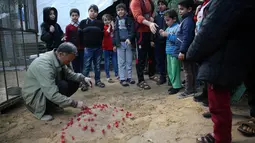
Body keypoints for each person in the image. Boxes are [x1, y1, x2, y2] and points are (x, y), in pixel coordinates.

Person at [185, 0, 255, 142]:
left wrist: (191, 54)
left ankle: (221, 138)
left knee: (218, 102)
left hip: (225, 57)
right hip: (243, 51)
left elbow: (209, 32)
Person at [22, 42, 92, 121]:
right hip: (35, 96)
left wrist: (83, 78)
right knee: (63, 85)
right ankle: (39, 111)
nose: (68, 63)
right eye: (68, 61)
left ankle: (52, 106)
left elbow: (70, 74)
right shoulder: (44, 65)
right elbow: (51, 93)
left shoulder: (57, 58)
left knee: (74, 82)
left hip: (45, 89)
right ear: (61, 54)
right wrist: (74, 103)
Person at [130, 0, 157, 90]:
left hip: (150, 31)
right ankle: (140, 80)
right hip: (141, 32)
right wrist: (149, 23)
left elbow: (150, 13)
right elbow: (138, 16)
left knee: (151, 55)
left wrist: (151, 19)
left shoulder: (149, 1)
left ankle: (151, 74)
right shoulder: (135, 2)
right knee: (141, 57)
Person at [79, 4, 105, 88]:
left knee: (97, 66)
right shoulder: (83, 23)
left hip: (98, 48)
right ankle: (84, 82)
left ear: (97, 13)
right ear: (88, 12)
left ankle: (98, 81)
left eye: (95, 11)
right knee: (86, 66)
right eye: (91, 11)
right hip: (88, 48)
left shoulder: (100, 23)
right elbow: (79, 35)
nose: (93, 13)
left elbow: (102, 35)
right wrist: (84, 44)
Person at [174, 0, 196, 99]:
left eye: (182, 9)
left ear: (189, 9)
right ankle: (192, 88)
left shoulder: (188, 21)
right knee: (190, 70)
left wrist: (182, 51)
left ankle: (188, 90)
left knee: (188, 71)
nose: (180, 11)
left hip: (186, 50)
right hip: (187, 49)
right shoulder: (186, 20)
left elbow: (187, 37)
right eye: (179, 9)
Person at [113, 3, 136, 87]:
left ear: (125, 11)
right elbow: (114, 33)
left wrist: (129, 38)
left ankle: (129, 77)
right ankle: (122, 78)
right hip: (120, 43)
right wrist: (114, 44)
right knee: (121, 62)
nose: (120, 11)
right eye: (118, 10)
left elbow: (132, 31)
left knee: (129, 61)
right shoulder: (115, 21)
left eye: (122, 9)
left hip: (128, 42)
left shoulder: (129, 20)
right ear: (116, 12)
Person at [159, 9, 181, 94]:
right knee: (170, 70)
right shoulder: (168, 28)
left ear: (174, 19)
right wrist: (162, 33)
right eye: (165, 20)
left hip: (175, 52)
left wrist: (168, 35)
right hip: (168, 52)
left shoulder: (178, 27)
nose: (166, 22)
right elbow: (165, 38)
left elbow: (177, 39)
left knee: (175, 70)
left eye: (168, 20)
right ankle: (173, 84)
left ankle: (176, 86)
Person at [152, 0, 168, 85]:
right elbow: (153, 29)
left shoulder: (169, 15)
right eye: (159, 5)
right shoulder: (156, 17)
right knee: (159, 59)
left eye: (162, 4)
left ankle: (171, 78)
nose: (160, 6)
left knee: (168, 60)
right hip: (158, 40)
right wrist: (152, 39)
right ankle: (162, 77)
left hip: (167, 40)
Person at [102, 14, 119, 83]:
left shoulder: (114, 28)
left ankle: (117, 74)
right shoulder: (103, 27)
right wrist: (109, 27)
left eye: (109, 20)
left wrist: (113, 26)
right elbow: (106, 34)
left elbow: (115, 35)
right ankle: (108, 76)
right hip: (106, 48)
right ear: (103, 21)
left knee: (115, 61)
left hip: (113, 47)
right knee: (107, 62)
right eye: (105, 20)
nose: (107, 21)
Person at [65, 8, 83, 73]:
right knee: (75, 65)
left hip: (81, 48)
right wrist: (68, 48)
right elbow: (67, 38)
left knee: (83, 64)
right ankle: (77, 81)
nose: (75, 17)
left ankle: (84, 79)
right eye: (73, 15)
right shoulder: (68, 27)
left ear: (78, 16)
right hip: (73, 49)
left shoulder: (81, 25)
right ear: (70, 16)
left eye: (76, 15)